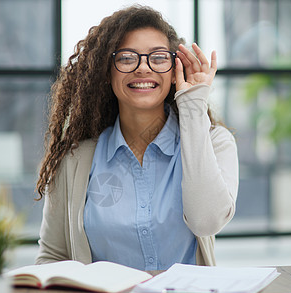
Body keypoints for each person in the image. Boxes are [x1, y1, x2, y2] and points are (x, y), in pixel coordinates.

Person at [35, 5, 238, 271]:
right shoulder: (74, 161)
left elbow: (207, 222)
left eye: (158, 58)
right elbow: (52, 256)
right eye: (127, 58)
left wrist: (193, 104)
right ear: (107, 72)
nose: (143, 68)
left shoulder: (215, 143)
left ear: (175, 69)